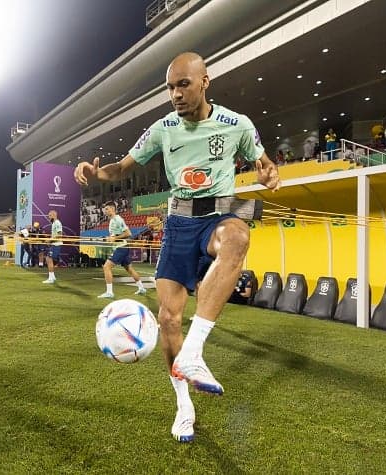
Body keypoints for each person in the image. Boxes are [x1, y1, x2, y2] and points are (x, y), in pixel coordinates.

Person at [74, 52, 280, 443]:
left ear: (205, 81)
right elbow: (121, 168)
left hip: (219, 215)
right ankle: (184, 406)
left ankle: (194, 351)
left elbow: (264, 162)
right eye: (170, 87)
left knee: (238, 237)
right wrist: (96, 172)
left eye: (183, 84)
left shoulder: (238, 124)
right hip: (179, 223)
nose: (175, 94)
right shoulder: (162, 129)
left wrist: (269, 172)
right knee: (169, 319)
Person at [97, 201, 147, 298]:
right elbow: (115, 235)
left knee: (106, 267)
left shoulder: (117, 219)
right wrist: (110, 239)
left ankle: (109, 292)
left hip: (121, 247)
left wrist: (114, 238)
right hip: (121, 246)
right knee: (129, 268)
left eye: (107, 209)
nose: (105, 211)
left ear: (112, 209)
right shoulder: (112, 220)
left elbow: (128, 233)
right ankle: (141, 288)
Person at [42, 210, 63, 283]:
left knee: (49, 259)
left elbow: (59, 235)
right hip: (54, 244)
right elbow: (55, 235)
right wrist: (50, 241)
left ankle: (51, 278)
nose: (48, 217)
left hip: (56, 244)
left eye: (49, 215)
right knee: (48, 259)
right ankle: (52, 277)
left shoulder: (57, 223)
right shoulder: (54, 223)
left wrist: (50, 240)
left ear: (54, 215)